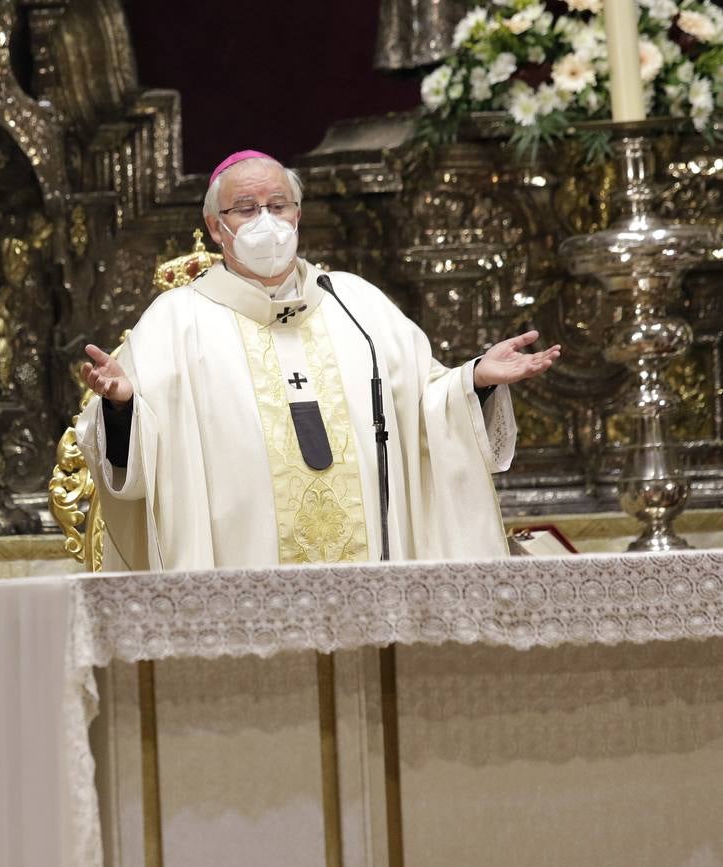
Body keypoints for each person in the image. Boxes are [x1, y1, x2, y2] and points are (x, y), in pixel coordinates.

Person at [76, 150, 559, 571]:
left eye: (278, 206)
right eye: (246, 209)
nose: (266, 220)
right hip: (240, 567)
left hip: (372, 569)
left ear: (298, 215)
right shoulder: (175, 321)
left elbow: (422, 407)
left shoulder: (354, 302)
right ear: (215, 227)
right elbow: (139, 459)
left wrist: (474, 379)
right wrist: (122, 408)